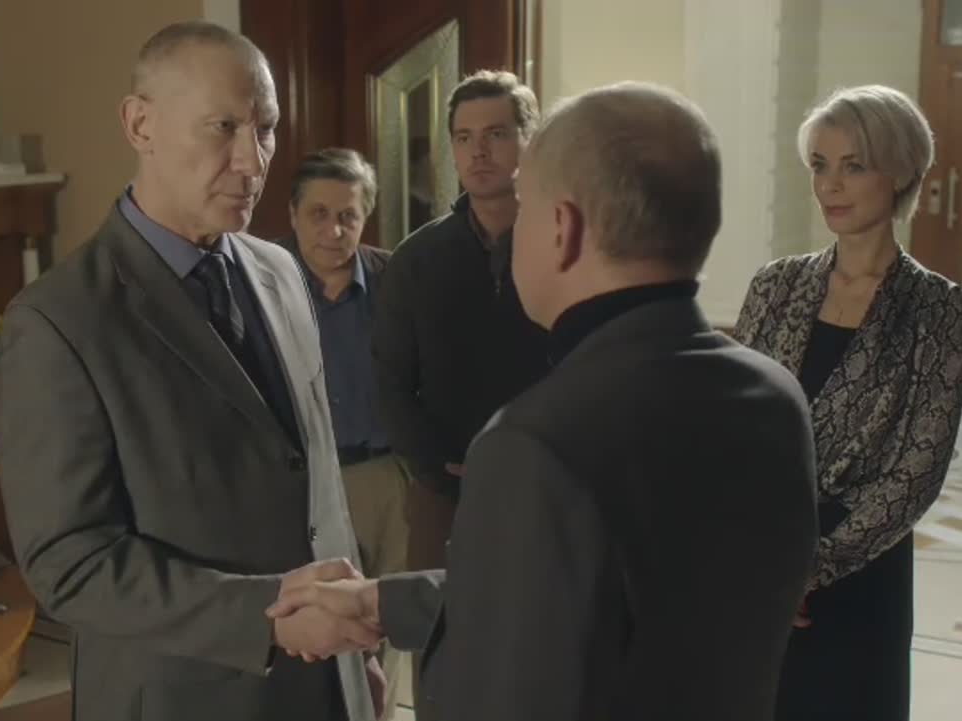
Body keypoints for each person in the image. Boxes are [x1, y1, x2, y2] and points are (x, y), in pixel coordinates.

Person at [273, 81, 820, 721]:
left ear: (563, 228)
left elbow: (503, 685)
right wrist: (380, 604)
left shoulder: (535, 446)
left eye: (525, 207)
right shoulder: (775, 398)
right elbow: (619, 604)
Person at [0, 22, 384, 721]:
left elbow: (315, 477)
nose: (252, 161)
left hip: (327, 683)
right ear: (139, 123)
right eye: (222, 127)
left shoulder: (281, 270)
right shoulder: (56, 322)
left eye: (265, 129)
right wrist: (265, 618)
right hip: (184, 697)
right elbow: (69, 564)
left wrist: (358, 658)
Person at [733, 85, 962, 721]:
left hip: (862, 570)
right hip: (762, 558)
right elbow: (734, 429)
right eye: (820, 164)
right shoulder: (775, 285)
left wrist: (812, 569)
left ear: (901, 173)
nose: (830, 185)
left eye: (854, 165)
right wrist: (763, 557)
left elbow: (918, 469)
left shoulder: (934, 307)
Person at [373, 70, 550, 580]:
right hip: (444, 491)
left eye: (496, 134)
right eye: (464, 138)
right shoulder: (416, 259)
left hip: (548, 483)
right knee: (438, 621)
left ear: (530, 141)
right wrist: (436, 464)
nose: (479, 152)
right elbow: (390, 381)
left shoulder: (565, 245)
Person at [278, 147, 409, 719]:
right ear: (293, 214)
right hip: (310, 481)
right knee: (323, 624)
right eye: (319, 214)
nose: (334, 231)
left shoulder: (395, 279)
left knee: (394, 619)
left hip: (388, 477)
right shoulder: (264, 282)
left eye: (348, 216)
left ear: (365, 217)